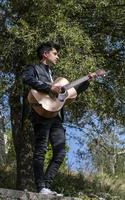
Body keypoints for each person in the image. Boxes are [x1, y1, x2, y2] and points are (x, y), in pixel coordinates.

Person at [22, 41, 97, 196]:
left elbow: (70, 92)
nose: (58, 56)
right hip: (41, 113)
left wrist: (86, 82)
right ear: (45, 54)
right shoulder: (34, 68)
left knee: (60, 152)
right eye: (55, 53)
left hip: (55, 116)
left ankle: (47, 186)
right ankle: (41, 187)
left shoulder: (54, 76)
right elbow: (27, 79)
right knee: (41, 150)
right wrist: (49, 88)